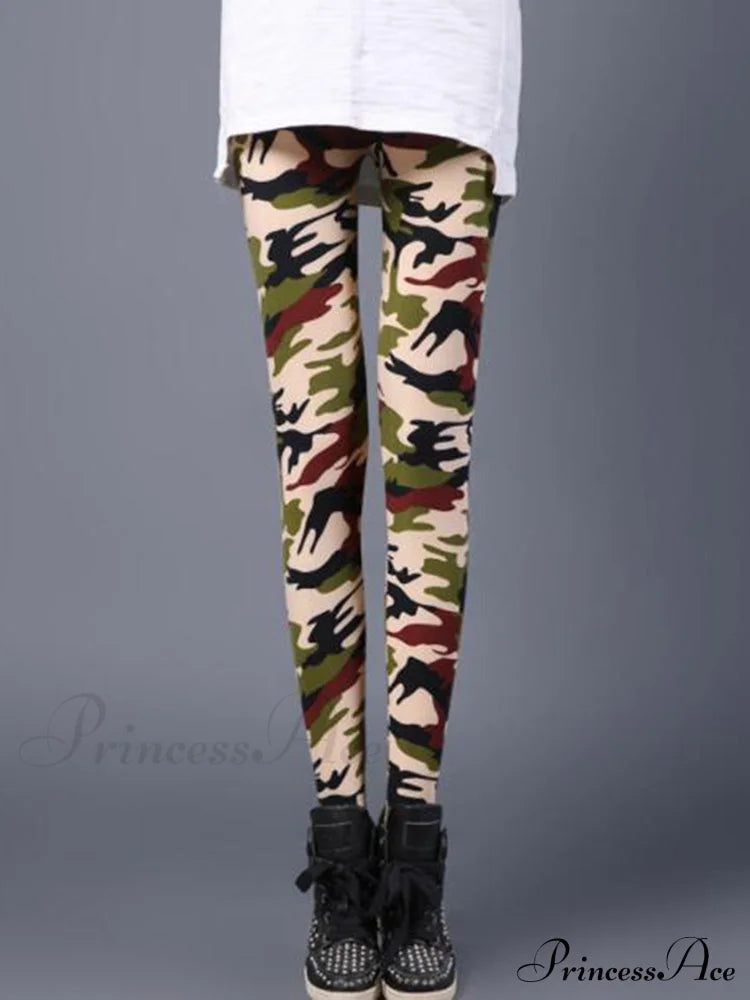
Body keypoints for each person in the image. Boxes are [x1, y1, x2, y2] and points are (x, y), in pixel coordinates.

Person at [214, 5, 523, 999]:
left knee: (430, 485)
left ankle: (415, 861)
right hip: (288, 59)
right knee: (316, 476)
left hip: (446, 59)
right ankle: (343, 858)